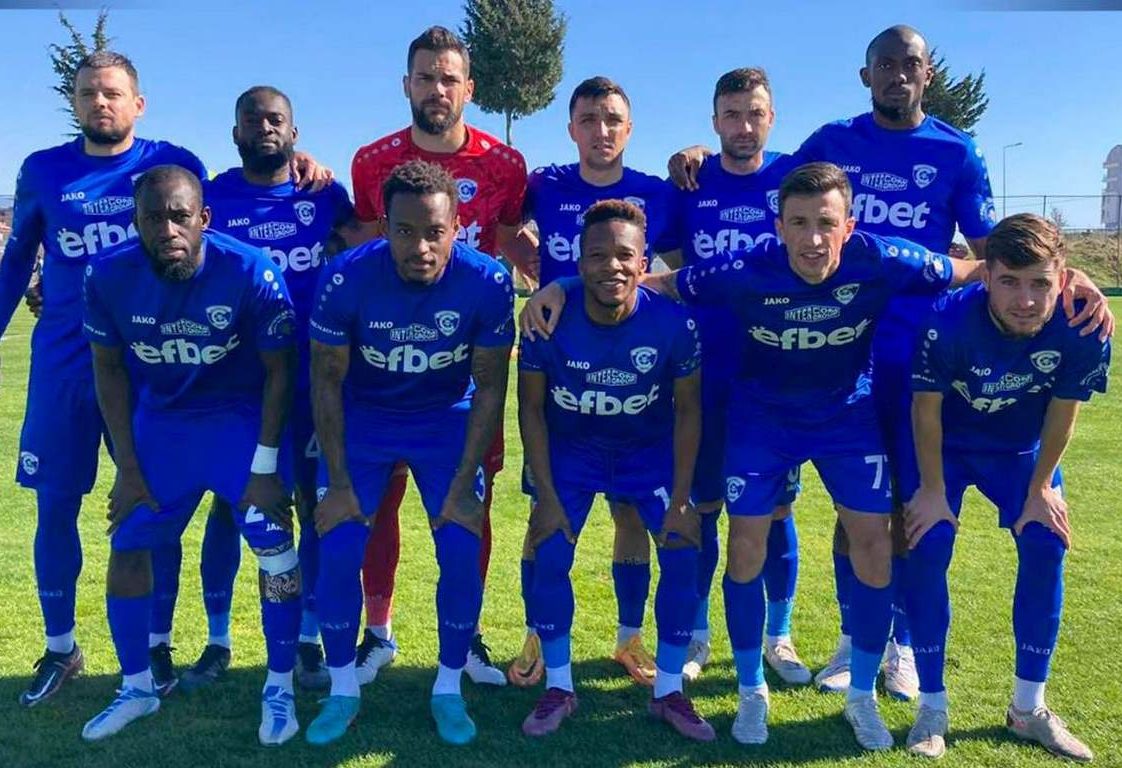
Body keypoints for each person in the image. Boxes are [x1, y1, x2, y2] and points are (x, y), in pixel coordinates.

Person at [525, 161, 1011, 750]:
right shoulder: (746, 268)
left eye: (826, 223)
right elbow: (653, 282)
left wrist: (1071, 281)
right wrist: (565, 285)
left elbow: (977, 269)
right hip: (762, 420)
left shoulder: (884, 258)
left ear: (849, 225)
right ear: (778, 227)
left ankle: (861, 695)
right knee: (745, 545)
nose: (813, 238)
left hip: (845, 418)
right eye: (798, 223)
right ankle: (752, 689)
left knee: (875, 542)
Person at [0, 51, 205, 706]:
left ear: (137, 103)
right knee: (55, 502)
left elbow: (213, 237)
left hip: (147, 363)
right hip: (65, 364)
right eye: (89, 92)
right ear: (76, 102)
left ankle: (155, 644)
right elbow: (17, 260)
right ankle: (60, 648)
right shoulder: (43, 170)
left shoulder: (173, 163)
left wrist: (305, 167)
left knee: (154, 504)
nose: (100, 102)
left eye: (113, 93)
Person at [80, 165, 302, 744]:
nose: (167, 230)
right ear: (136, 222)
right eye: (153, 218)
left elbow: (280, 372)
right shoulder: (107, 275)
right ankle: (136, 687)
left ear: (203, 218)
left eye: (180, 216)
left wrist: (264, 468)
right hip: (163, 427)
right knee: (128, 544)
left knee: (276, 549)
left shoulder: (250, 269)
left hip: (237, 423)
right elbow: (108, 371)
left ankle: (279, 685)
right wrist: (128, 469)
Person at [306, 160, 513, 746]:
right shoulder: (346, 277)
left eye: (434, 232)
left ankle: (447, 686)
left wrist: (465, 482)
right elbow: (326, 379)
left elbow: (489, 386)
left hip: (445, 420)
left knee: (461, 545)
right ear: (384, 227)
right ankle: (342, 688)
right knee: (339, 547)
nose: (420, 247)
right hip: (365, 419)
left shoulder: (487, 280)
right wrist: (338, 483)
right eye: (404, 231)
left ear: (456, 227)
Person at [348, 26, 528, 686]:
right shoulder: (372, 161)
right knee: (379, 500)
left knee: (471, 500)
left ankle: (468, 635)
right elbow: (360, 240)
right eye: (425, 77)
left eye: (448, 78)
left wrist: (555, 288)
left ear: (468, 88)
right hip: (387, 362)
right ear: (406, 85)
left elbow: (514, 240)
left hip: (470, 365)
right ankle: (378, 632)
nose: (436, 89)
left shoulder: (505, 164)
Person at [904, 214, 1109, 761]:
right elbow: (925, 412)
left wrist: (1041, 489)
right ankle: (932, 705)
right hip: (948, 447)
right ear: (986, 275)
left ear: (1062, 277)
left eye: (1040, 283)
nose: (1026, 300)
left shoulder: (1082, 325)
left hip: (1019, 451)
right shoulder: (947, 319)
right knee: (927, 541)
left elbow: (1063, 413)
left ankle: (1028, 708)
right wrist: (931, 490)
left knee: (1045, 542)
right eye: (1010, 282)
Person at [180, 85, 355, 693]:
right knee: (231, 507)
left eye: (275, 118)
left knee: (310, 504)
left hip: (310, 381)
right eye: (251, 119)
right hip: (235, 384)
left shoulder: (324, 194)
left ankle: (306, 639)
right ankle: (218, 639)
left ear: (294, 132)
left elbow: (364, 244)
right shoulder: (213, 195)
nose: (264, 127)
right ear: (235, 133)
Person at [517, 199, 712, 741]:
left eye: (625, 255)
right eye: (598, 256)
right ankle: (559, 685)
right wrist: (546, 496)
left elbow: (689, 411)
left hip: (644, 454)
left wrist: (681, 498)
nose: (612, 266)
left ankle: (669, 690)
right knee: (549, 551)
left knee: (683, 552)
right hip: (573, 454)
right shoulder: (546, 322)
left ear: (643, 261)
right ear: (580, 263)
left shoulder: (673, 323)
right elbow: (530, 409)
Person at [508, 76, 676, 689]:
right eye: (588, 119)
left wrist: (589, 285)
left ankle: (629, 637)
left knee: (630, 513)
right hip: (560, 372)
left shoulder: (659, 193)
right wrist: (534, 277)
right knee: (546, 514)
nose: (600, 131)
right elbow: (502, 227)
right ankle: (537, 631)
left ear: (628, 129)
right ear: (571, 128)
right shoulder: (545, 186)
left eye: (612, 120)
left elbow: (686, 269)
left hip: (633, 372)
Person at [657, 67, 806, 685]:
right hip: (702, 374)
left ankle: (779, 635)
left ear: (772, 118)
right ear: (714, 120)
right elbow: (673, 263)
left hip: (772, 376)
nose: (744, 126)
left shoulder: (794, 177)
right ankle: (697, 634)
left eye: (755, 114)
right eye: (732, 115)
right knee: (701, 506)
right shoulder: (690, 183)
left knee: (776, 510)